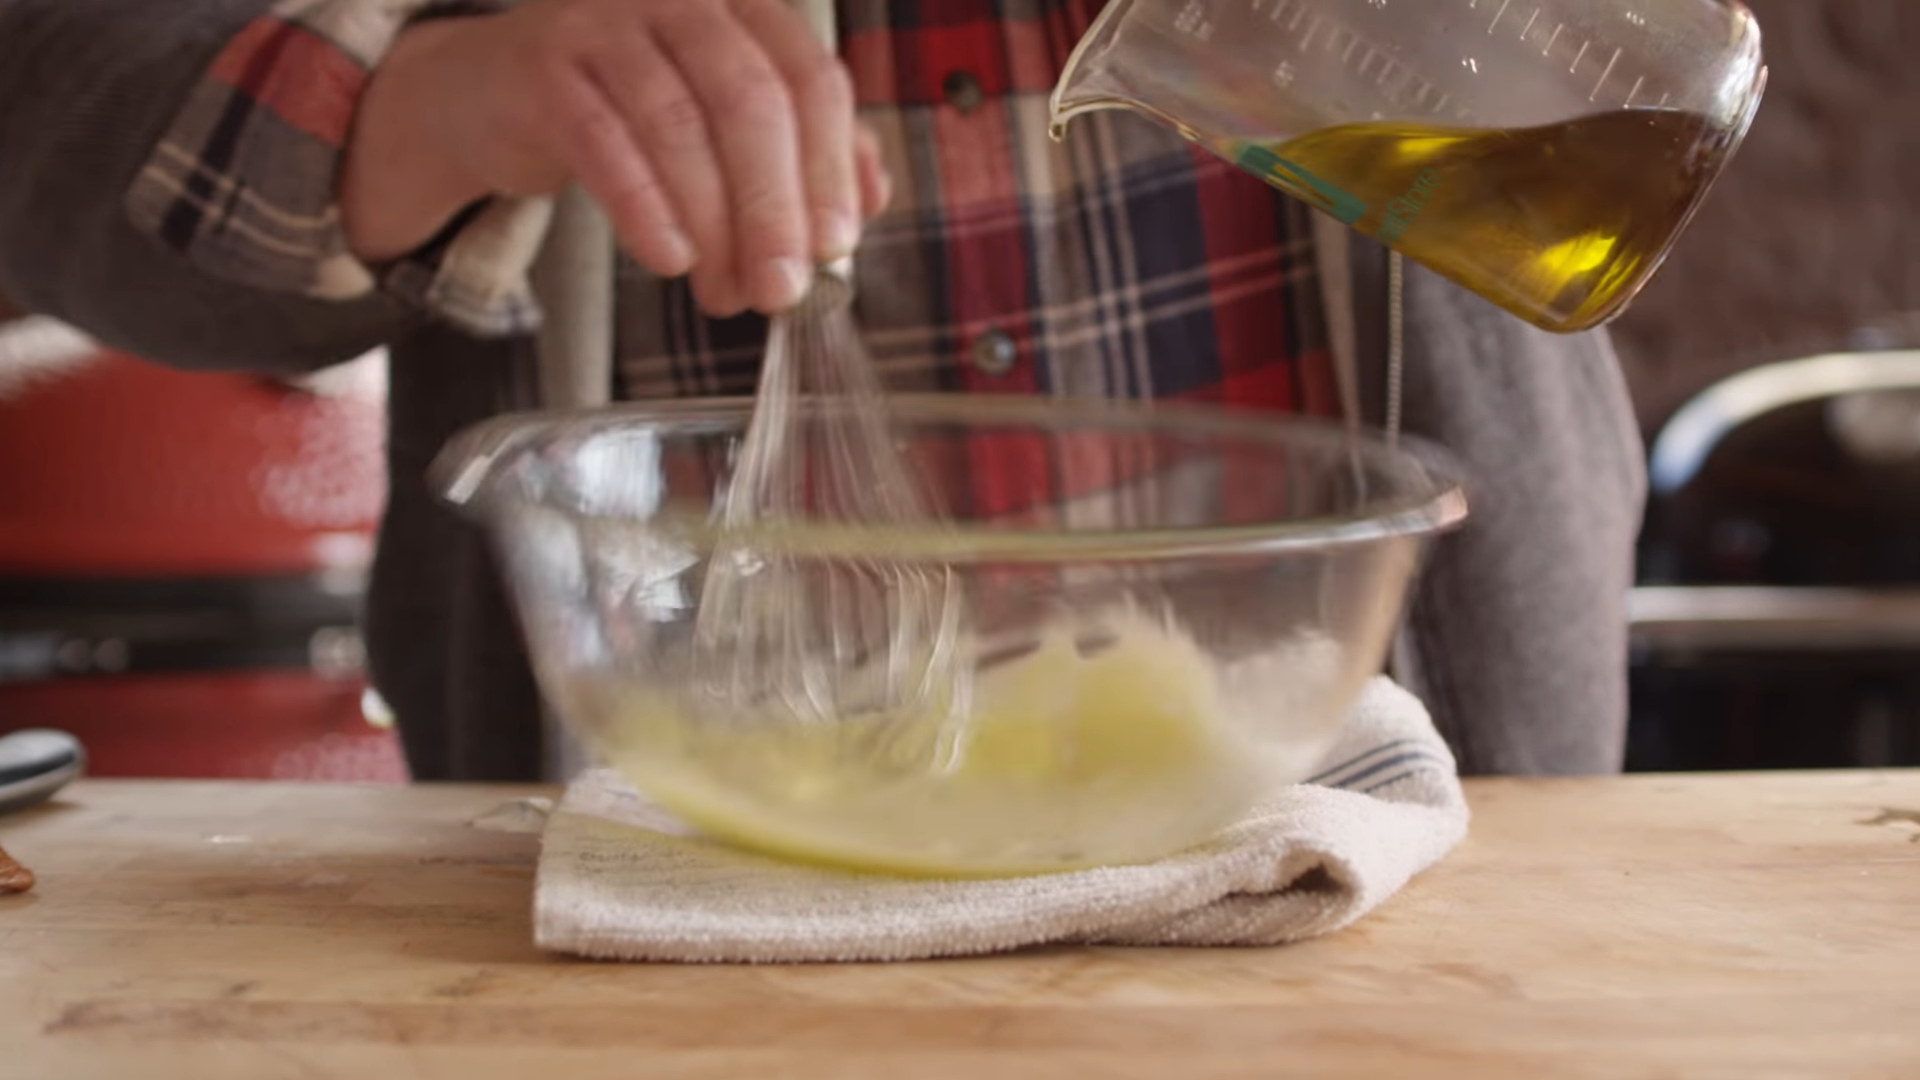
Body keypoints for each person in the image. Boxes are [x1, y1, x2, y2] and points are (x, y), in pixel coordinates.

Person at [0, 0, 1646, 781]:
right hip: (662, 874)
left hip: (1388, 819)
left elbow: (1614, 86)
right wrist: (438, 101)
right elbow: (59, 109)